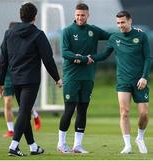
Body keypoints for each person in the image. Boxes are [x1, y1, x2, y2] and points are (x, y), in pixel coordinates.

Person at [0, 2, 62, 156]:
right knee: (24, 111)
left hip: (14, 79)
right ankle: (14, 146)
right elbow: (48, 59)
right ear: (35, 17)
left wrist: (0, 82)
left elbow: (3, 60)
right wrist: (57, 78)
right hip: (31, 80)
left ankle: (33, 146)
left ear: (20, 16)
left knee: (24, 111)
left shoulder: (8, 33)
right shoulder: (38, 34)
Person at [84, 11, 152, 154]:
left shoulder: (141, 36)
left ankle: (140, 137)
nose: (120, 25)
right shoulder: (114, 38)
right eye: (118, 23)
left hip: (140, 81)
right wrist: (90, 58)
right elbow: (104, 55)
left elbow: (148, 58)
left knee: (144, 114)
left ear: (130, 21)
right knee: (124, 112)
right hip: (123, 81)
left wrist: (144, 77)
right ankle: (127, 145)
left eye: (123, 22)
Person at [57, 3, 111, 153]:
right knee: (69, 110)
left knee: (82, 110)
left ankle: (77, 145)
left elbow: (112, 37)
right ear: (75, 15)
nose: (80, 18)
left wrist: (100, 56)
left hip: (88, 77)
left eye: (83, 15)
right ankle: (61, 143)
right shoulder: (67, 31)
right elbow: (65, 53)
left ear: (88, 15)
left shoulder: (93, 30)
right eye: (78, 15)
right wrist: (81, 59)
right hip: (71, 77)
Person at [0, 22, 41, 138]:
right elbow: (1, 63)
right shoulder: (7, 42)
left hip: (19, 76)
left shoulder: (21, 44)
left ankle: (35, 115)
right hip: (8, 78)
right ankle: (11, 130)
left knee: (24, 105)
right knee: (7, 103)